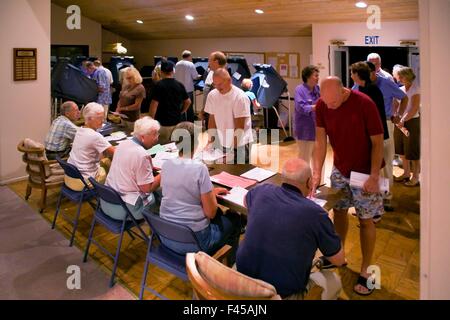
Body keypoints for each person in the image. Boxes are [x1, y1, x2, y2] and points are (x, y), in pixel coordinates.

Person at [312, 77, 384, 296]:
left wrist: (373, 175)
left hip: (365, 171)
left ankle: (366, 270)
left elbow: (378, 142)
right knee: (339, 211)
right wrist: (316, 174)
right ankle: (338, 254)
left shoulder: (365, 103)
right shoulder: (322, 105)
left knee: (366, 219)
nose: (330, 107)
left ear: (344, 91)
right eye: (326, 103)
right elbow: (321, 142)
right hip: (340, 169)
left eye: (334, 103)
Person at [236, 158, 345, 299]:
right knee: (335, 282)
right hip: (280, 293)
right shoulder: (316, 214)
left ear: (283, 178)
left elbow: (246, 201)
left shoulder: (262, 190)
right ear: (309, 182)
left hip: (241, 280)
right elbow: (339, 260)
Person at [159, 121, 241, 263]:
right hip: (193, 241)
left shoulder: (166, 165)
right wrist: (209, 196)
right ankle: (229, 266)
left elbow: (180, 191)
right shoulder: (199, 168)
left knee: (220, 217)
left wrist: (208, 193)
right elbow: (211, 212)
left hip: (167, 236)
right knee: (235, 219)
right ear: (196, 142)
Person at [353, 61, 408, 211]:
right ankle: (374, 198)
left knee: (386, 162)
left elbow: (404, 97)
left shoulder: (384, 83)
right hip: (367, 128)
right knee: (372, 164)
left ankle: (386, 198)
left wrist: (399, 115)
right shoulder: (359, 87)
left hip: (385, 124)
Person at [102, 117, 161, 220]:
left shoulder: (123, 144)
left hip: (107, 202)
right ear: (143, 137)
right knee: (161, 191)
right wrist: (164, 174)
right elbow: (147, 189)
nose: (157, 138)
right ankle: (159, 229)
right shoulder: (142, 155)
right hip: (125, 210)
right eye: (155, 134)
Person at [205, 68, 253, 164]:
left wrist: (232, 150)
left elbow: (240, 127)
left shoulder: (240, 97)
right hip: (222, 140)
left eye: (220, 84)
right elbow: (212, 119)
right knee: (221, 173)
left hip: (240, 143)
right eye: (215, 84)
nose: (218, 87)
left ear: (229, 80)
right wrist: (210, 141)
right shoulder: (212, 95)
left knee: (239, 173)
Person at [66, 102, 115, 191]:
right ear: (89, 119)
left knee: (105, 160)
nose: (103, 121)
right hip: (83, 182)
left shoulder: (80, 130)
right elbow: (116, 153)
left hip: (70, 178)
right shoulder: (95, 136)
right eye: (100, 118)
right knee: (110, 165)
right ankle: (110, 196)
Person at [149, 60, 191, 144]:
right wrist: (181, 111)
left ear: (161, 72)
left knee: (163, 147)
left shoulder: (158, 85)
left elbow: (154, 105)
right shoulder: (179, 85)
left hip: (162, 123)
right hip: (177, 122)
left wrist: (150, 121)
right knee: (176, 147)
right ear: (173, 71)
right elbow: (188, 101)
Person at [394, 67, 421, 187]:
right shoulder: (400, 89)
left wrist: (403, 119)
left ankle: (415, 177)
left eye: (401, 76)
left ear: (407, 76)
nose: (399, 78)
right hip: (400, 123)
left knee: (413, 151)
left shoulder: (416, 89)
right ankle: (406, 173)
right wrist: (397, 118)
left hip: (412, 122)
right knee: (402, 150)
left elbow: (414, 108)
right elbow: (396, 106)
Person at [350, 61, 389, 141]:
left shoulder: (372, 89)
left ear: (357, 74)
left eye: (352, 74)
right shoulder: (361, 87)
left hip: (374, 131)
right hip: (367, 130)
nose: (351, 76)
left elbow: (374, 112)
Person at [294, 65, 321, 164]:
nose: (318, 78)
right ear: (308, 77)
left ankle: (318, 180)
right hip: (304, 130)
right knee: (304, 159)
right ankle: (303, 179)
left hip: (317, 129)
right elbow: (301, 108)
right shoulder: (299, 89)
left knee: (318, 159)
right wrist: (316, 107)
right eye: (316, 76)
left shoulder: (317, 89)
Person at [201, 51, 227, 127]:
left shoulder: (220, 74)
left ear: (216, 62)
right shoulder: (212, 72)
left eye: (210, 60)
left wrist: (204, 110)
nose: (208, 62)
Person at [116, 67, 146, 131]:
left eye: (130, 78)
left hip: (132, 118)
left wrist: (122, 108)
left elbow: (137, 106)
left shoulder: (140, 88)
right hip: (123, 116)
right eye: (127, 78)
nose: (128, 80)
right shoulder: (127, 86)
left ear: (136, 76)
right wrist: (118, 107)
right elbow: (121, 98)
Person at [175, 50, 200, 122]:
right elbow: (195, 76)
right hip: (188, 89)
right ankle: (190, 123)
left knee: (181, 107)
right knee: (189, 107)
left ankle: (181, 122)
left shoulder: (177, 64)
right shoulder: (190, 64)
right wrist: (199, 76)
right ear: (189, 56)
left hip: (178, 89)